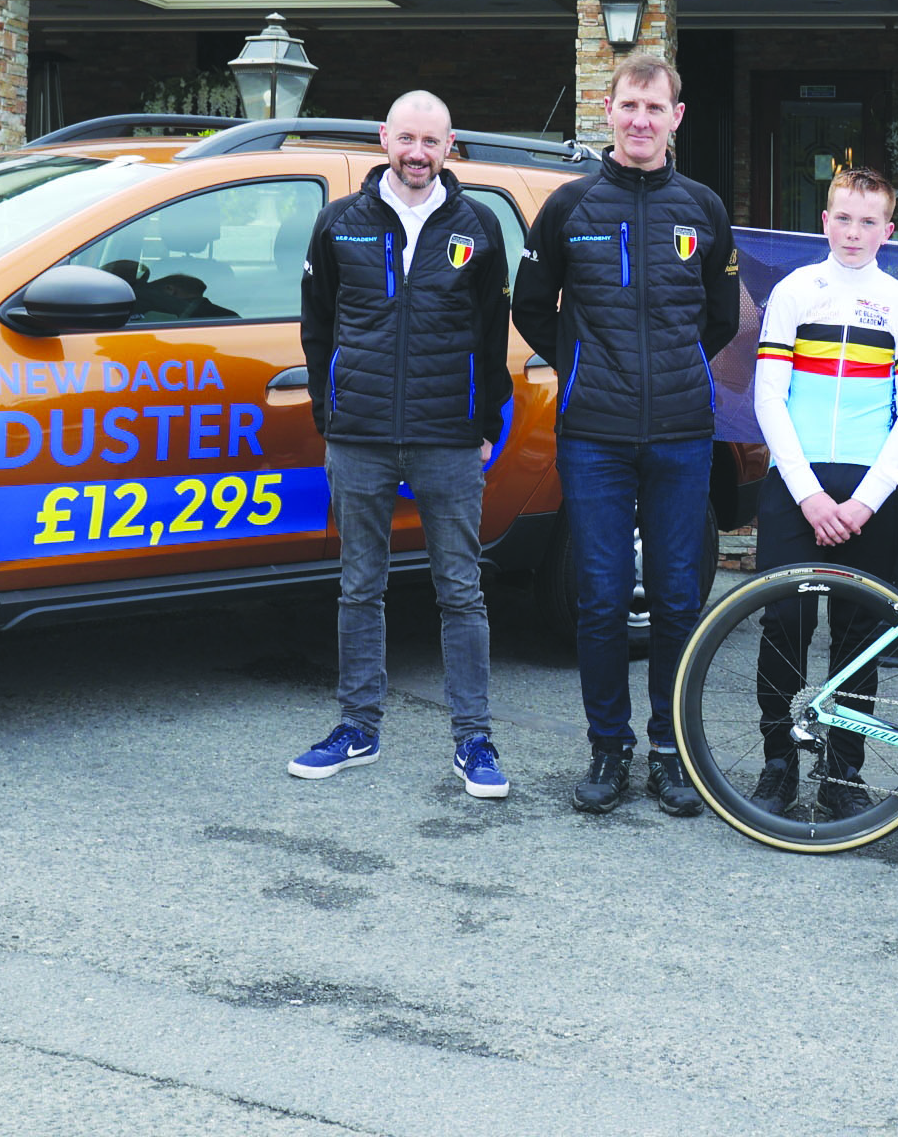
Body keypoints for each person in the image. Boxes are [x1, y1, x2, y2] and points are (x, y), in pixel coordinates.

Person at [511, 51, 741, 817]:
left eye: (656, 108)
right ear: (607, 112)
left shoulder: (703, 208)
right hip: (595, 436)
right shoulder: (569, 207)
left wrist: (671, 370)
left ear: (676, 118)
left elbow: (720, 317)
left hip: (681, 434)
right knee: (603, 599)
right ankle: (608, 749)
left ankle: (671, 752)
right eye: (628, 107)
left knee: (678, 599)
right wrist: (583, 367)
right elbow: (531, 304)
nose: (641, 121)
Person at [292, 90, 511, 798]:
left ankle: (473, 740)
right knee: (360, 587)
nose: (418, 153)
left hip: (448, 437)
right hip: (359, 438)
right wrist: (331, 415)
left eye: (432, 142)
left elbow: (491, 333)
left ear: (452, 148)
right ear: (385, 137)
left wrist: (485, 425)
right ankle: (357, 726)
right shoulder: (338, 224)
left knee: (462, 591)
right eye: (407, 138)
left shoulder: (477, 227)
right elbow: (317, 325)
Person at [746, 164, 898, 816]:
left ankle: (845, 774)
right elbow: (767, 395)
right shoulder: (797, 290)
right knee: (785, 624)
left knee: (858, 634)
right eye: (843, 218)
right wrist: (809, 495)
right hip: (799, 484)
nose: (854, 231)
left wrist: (865, 498)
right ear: (825, 222)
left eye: (868, 220)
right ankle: (778, 765)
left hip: (866, 492)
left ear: (888, 229)